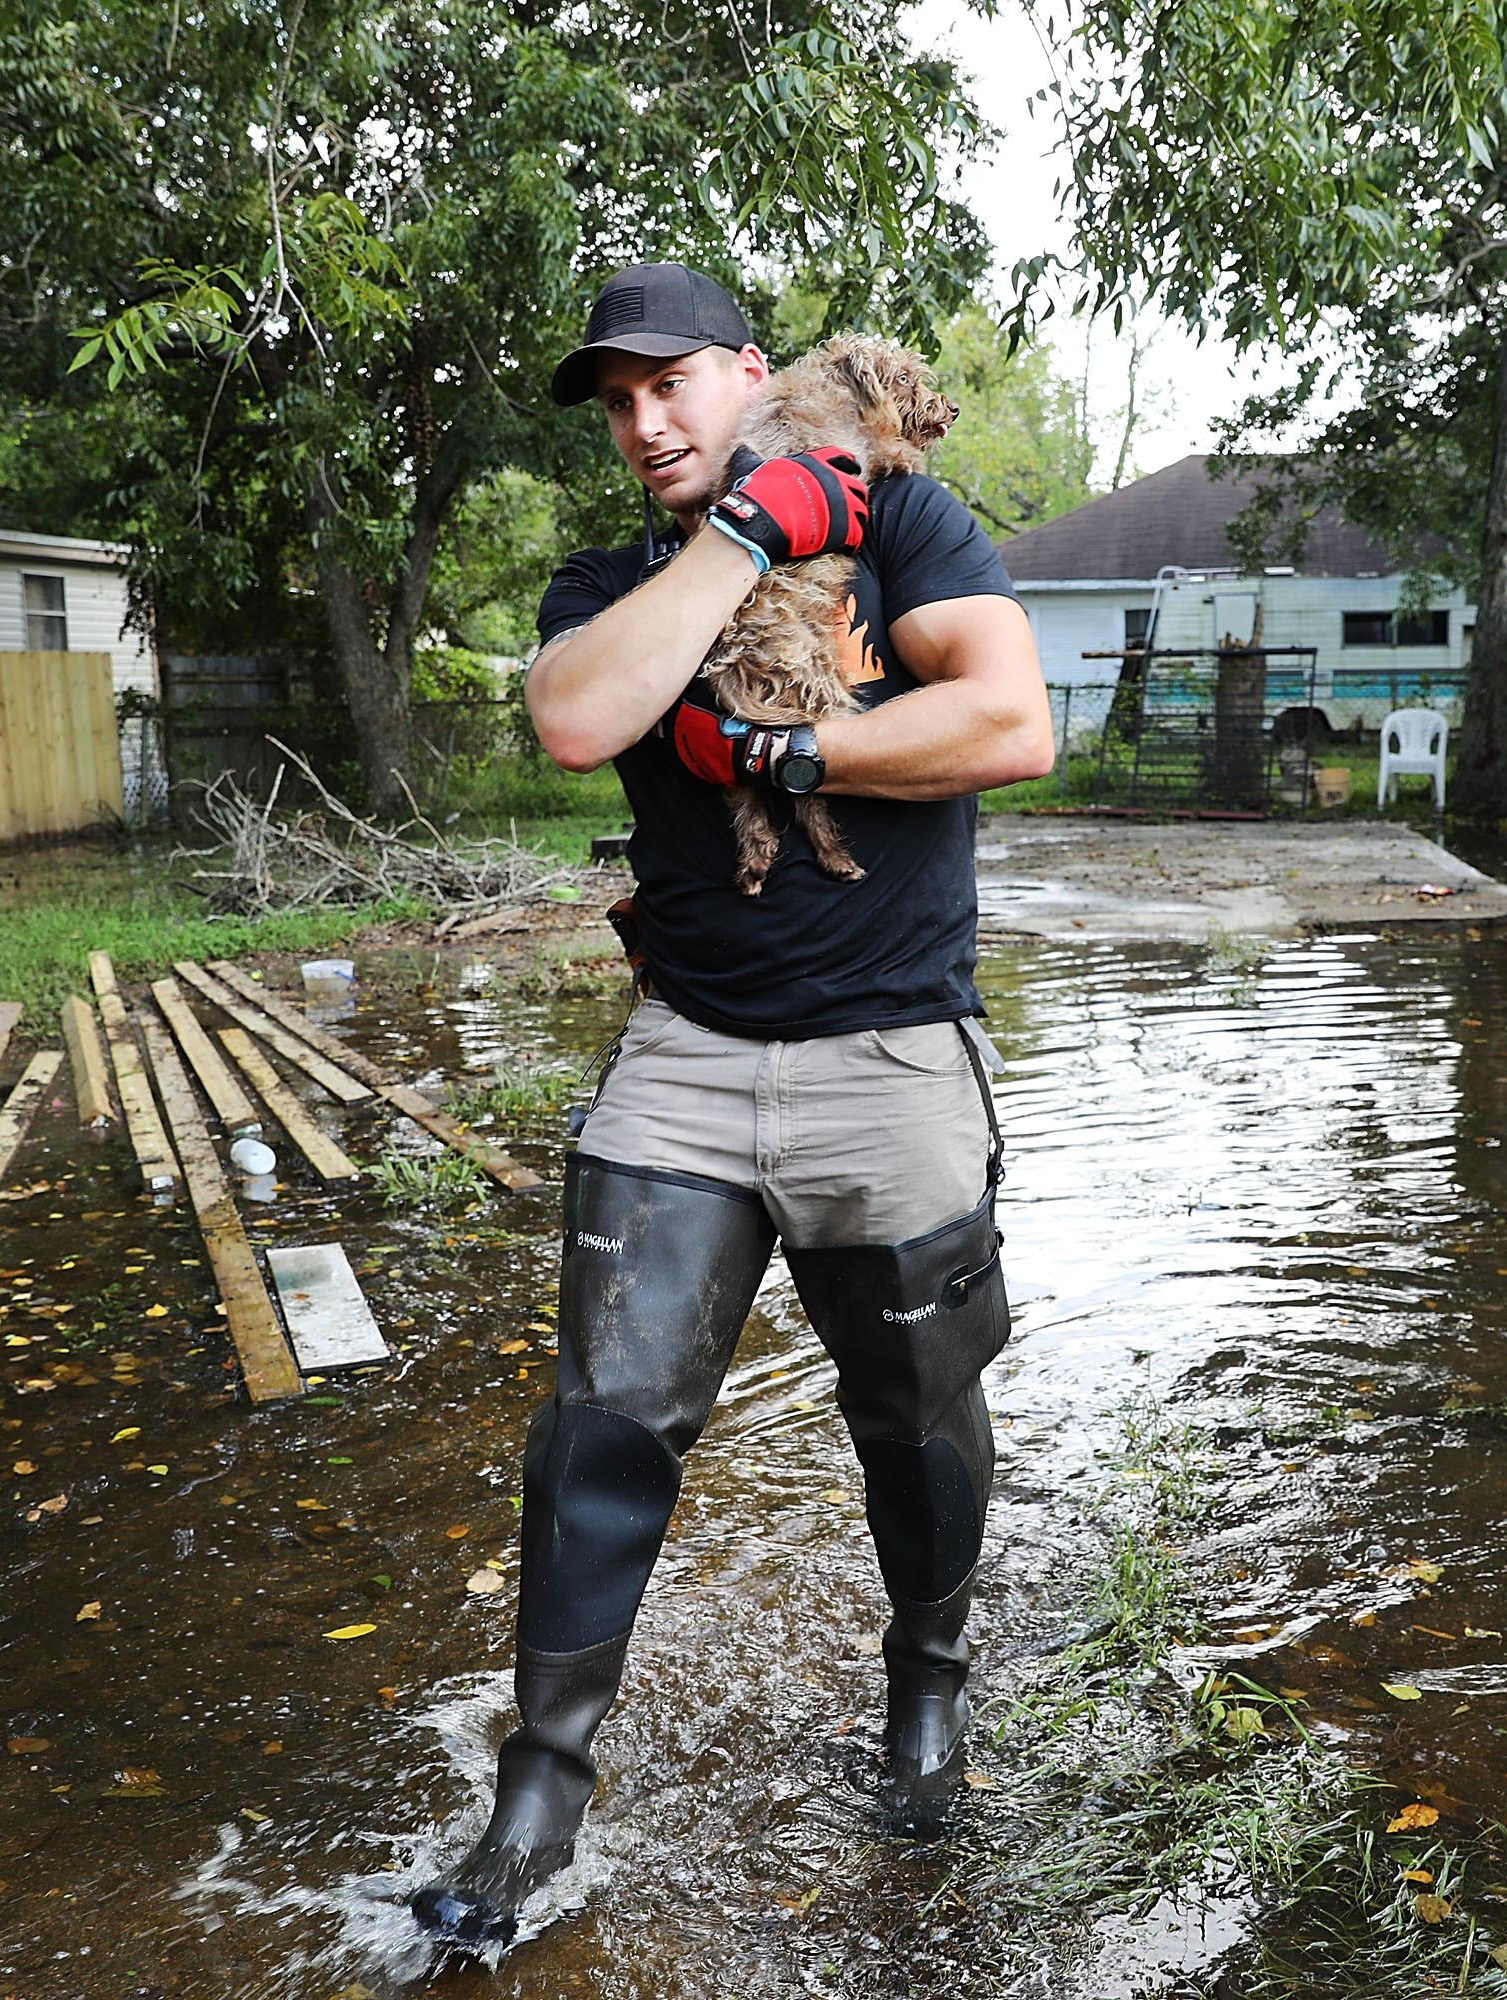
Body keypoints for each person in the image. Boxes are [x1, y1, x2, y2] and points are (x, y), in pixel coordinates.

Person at [409, 263, 1054, 1950]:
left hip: (893, 1055)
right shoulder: (618, 576)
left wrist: (780, 758)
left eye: (672, 384)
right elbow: (576, 718)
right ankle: (538, 1796)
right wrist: (747, 543)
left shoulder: (906, 522)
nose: (646, 421)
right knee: (602, 1421)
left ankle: (928, 1686)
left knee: (915, 1408)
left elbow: (1011, 721)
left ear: (747, 372)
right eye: (617, 401)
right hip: (686, 1062)